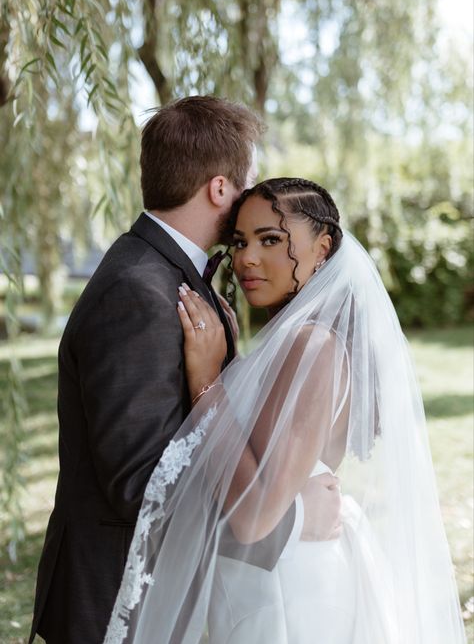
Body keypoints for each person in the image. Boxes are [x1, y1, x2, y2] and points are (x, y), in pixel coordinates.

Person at [29, 101, 341, 644]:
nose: (249, 199)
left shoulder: (166, 277)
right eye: (244, 186)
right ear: (220, 189)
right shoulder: (139, 290)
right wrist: (288, 520)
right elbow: (139, 483)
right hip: (117, 602)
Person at [105, 177, 466, 644]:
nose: (246, 258)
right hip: (271, 575)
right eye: (239, 242)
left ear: (321, 249)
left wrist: (209, 383)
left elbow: (254, 515)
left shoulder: (312, 345)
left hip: (289, 589)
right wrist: (235, 368)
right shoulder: (294, 342)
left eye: (270, 240)